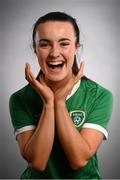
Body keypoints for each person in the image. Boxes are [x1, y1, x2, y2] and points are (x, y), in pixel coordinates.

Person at [9, 11, 113, 179]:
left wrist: (60, 103)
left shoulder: (100, 96)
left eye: (64, 43)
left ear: (76, 48)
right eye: (44, 44)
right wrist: (49, 104)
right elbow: (38, 162)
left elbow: (78, 159)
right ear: (35, 49)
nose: (54, 53)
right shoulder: (20, 99)